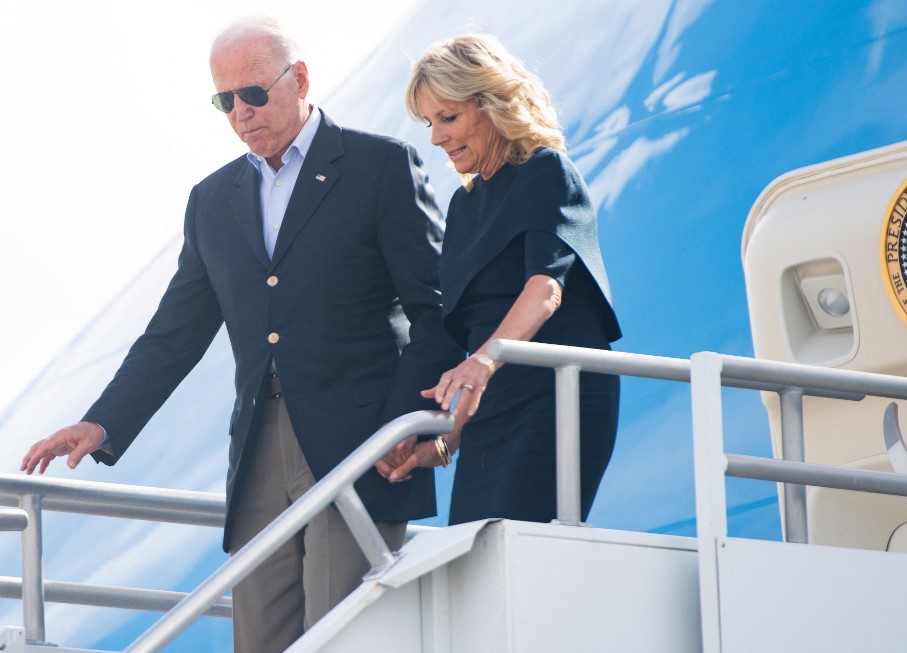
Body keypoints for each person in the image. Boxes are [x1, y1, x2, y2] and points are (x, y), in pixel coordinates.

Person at [19, 16, 462, 653]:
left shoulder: (380, 166)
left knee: (339, 634)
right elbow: (174, 333)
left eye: (252, 93)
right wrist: (102, 423)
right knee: (258, 637)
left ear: (300, 78)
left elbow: (436, 311)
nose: (239, 112)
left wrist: (400, 426)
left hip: (358, 443)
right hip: (257, 447)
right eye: (224, 100)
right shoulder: (210, 200)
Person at [378, 34, 622, 525]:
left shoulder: (545, 171)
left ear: (491, 106)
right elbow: (478, 346)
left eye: (449, 118)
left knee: (516, 553)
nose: (436, 138)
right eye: (430, 123)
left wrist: (482, 365)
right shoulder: (463, 207)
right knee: (477, 557)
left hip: (559, 397)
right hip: (494, 414)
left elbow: (545, 289)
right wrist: (442, 446)